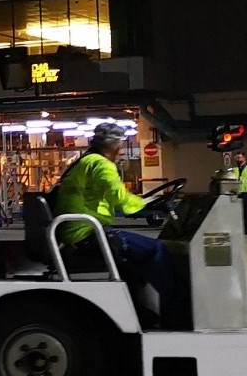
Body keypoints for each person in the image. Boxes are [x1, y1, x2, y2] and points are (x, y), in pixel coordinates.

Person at [51, 123, 185, 328]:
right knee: (158, 251)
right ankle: (176, 315)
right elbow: (120, 200)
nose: (121, 150)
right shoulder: (102, 165)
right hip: (86, 234)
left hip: (76, 231)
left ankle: (140, 312)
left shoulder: (84, 161)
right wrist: (149, 206)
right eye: (120, 145)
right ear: (113, 146)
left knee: (133, 263)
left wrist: (144, 203)